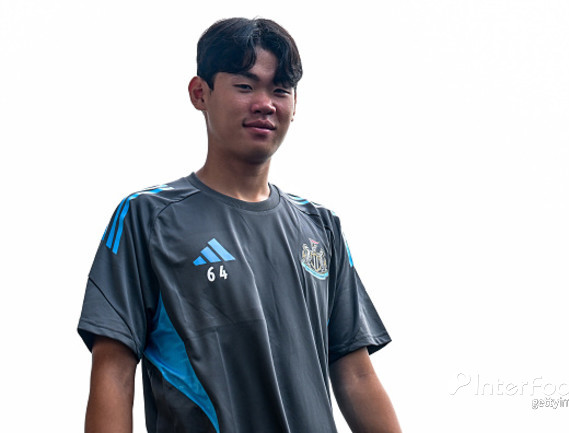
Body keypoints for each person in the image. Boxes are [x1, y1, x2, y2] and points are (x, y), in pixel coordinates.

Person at [78, 17, 401, 433]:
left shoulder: (320, 228)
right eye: (245, 86)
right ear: (200, 93)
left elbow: (356, 375)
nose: (265, 103)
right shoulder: (148, 218)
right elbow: (113, 371)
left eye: (280, 90)